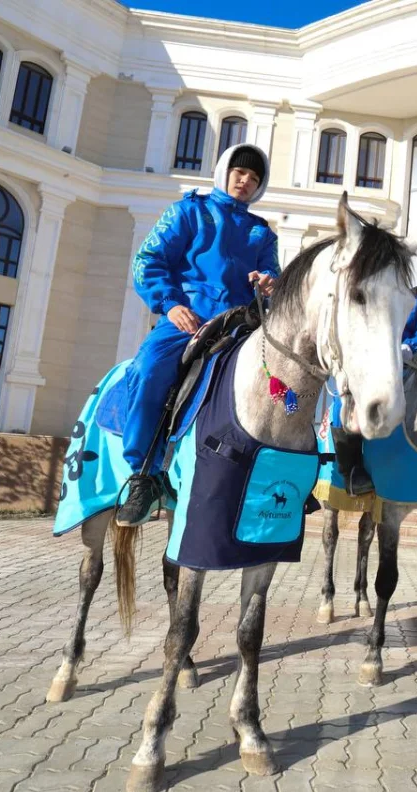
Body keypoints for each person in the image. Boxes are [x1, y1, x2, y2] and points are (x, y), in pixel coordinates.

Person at [115, 143, 279, 527]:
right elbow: (149, 260)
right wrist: (170, 304)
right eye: (240, 173)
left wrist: (270, 283)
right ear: (224, 172)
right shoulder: (189, 211)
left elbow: (274, 274)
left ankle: (281, 468)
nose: (246, 181)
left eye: (254, 178)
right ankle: (144, 475)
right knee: (150, 368)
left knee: (283, 390)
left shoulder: (261, 233)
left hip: (241, 325)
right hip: (187, 319)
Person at [331, 288, 417, 496]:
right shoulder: (365, 295)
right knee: (344, 405)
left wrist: (409, 347)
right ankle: (352, 471)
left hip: (405, 367)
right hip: (370, 365)